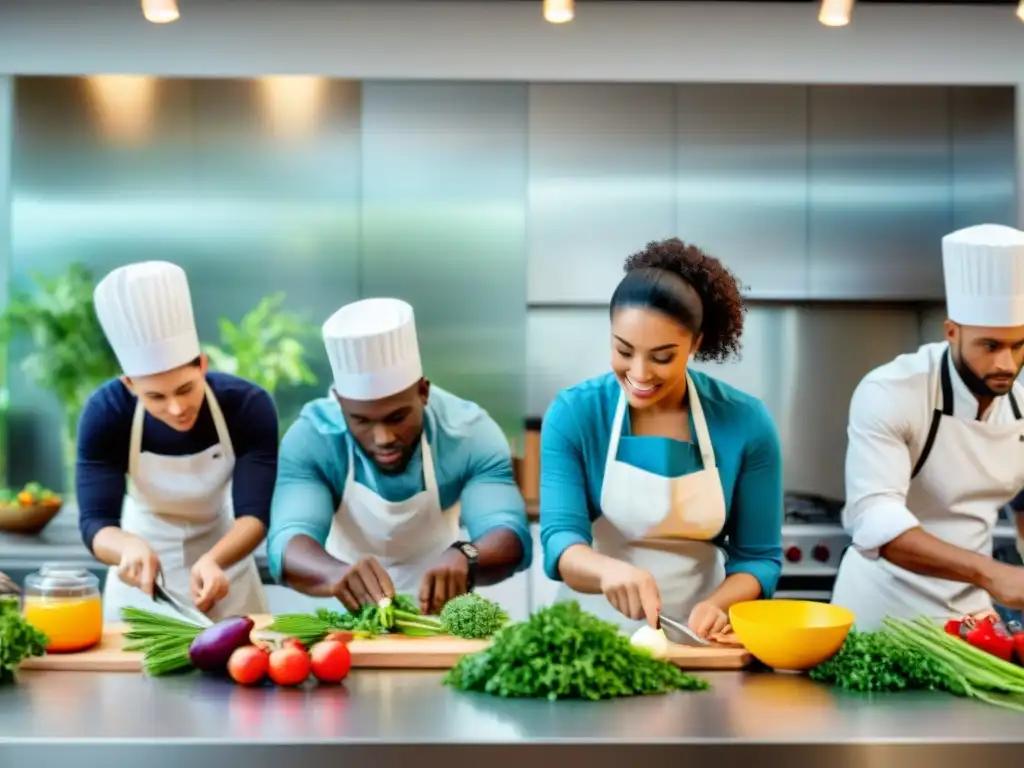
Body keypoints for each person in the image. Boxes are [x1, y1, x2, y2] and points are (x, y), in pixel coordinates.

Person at [538, 238, 784, 638]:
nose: (639, 373)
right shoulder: (576, 414)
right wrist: (606, 571)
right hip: (588, 639)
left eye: (662, 356)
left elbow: (759, 559)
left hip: (696, 638)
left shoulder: (745, 421)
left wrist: (718, 607)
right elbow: (560, 542)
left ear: (696, 343)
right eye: (623, 350)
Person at [266, 297, 532, 615]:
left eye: (397, 417)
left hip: (438, 614)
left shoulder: (469, 434)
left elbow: (508, 530)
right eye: (361, 420)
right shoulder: (313, 438)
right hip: (346, 613)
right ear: (339, 402)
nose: (383, 438)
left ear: (423, 391)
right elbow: (288, 537)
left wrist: (468, 554)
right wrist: (335, 574)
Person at [831, 223, 1024, 631]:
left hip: (972, 621)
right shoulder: (892, 390)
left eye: (1018, 345)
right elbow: (876, 520)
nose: (1006, 364)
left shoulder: (1021, 404)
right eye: (989, 346)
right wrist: (993, 574)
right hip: (882, 617)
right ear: (952, 332)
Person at [77, 261, 277, 622]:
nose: (176, 408)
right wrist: (127, 547)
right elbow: (95, 521)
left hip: (225, 562)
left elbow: (255, 515)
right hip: (140, 574)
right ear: (130, 385)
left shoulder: (247, 405)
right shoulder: (106, 412)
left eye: (186, 388)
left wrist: (216, 560)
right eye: (155, 397)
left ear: (201, 365)